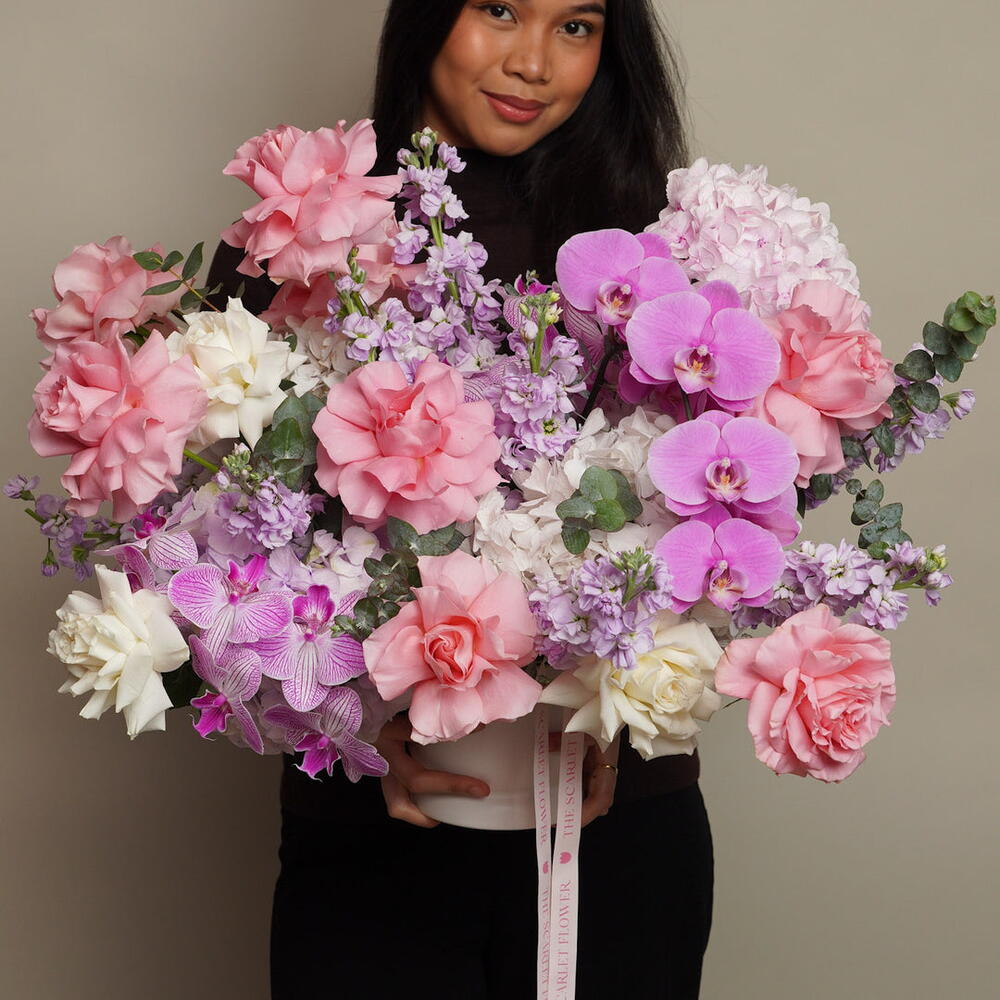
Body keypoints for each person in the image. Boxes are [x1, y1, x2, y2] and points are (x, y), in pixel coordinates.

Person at [207, 2, 713, 997]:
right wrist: (353, 721)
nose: (533, 62)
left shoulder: (656, 244)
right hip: (370, 840)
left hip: (616, 831)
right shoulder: (302, 233)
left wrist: (617, 707)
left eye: (577, 26)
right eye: (499, 9)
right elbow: (222, 548)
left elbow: (720, 524)